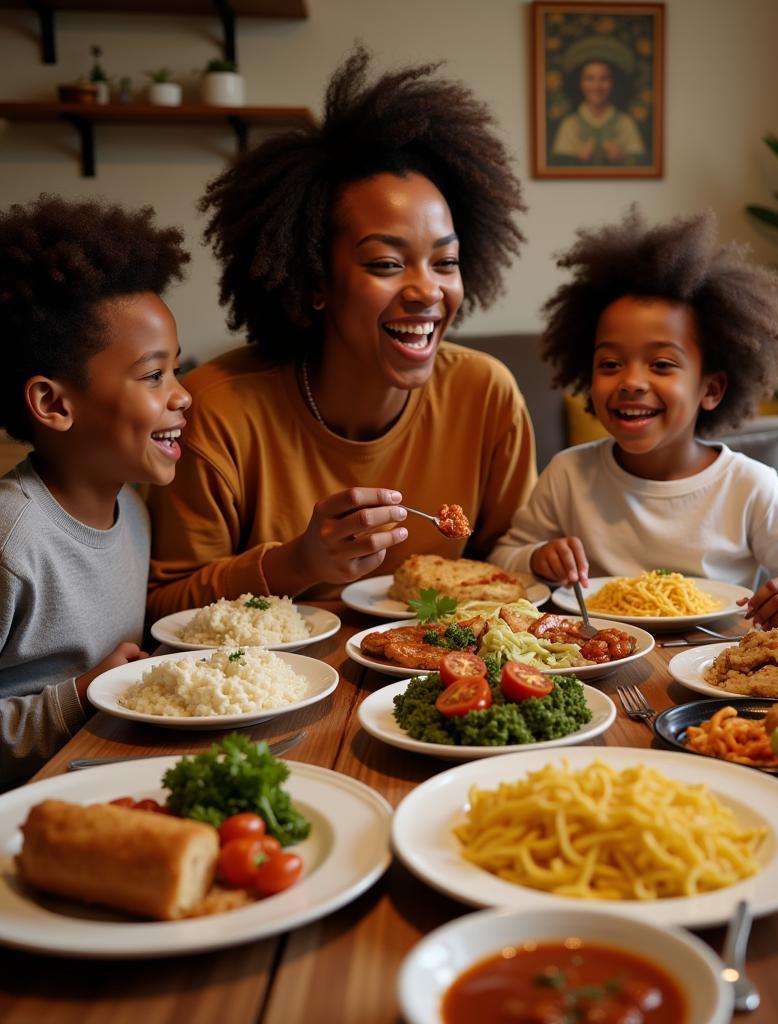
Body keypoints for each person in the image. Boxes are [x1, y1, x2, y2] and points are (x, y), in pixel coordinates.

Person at [146, 49, 534, 619]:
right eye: (385, 264)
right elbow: (161, 611)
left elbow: (513, 559)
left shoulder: (487, 393)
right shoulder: (214, 413)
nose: (427, 290)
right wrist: (297, 563)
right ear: (316, 281)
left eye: (445, 263)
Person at [490, 209, 778, 636]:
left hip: (714, 667)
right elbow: (502, 559)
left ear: (711, 389)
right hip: (599, 661)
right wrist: (535, 558)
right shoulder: (569, 474)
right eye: (610, 363)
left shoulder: (751, 486)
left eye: (661, 364)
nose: (632, 382)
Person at [0, 196, 191, 785]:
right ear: (55, 404)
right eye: (154, 375)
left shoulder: (132, 511)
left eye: (177, 370)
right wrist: (82, 694)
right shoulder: (11, 537)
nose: (182, 396)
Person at [550, 55, 646, 166]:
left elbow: (641, 164)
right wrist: (578, 160)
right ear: (580, 83)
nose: (597, 86)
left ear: (613, 83)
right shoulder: (570, 124)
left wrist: (621, 159)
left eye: (604, 79)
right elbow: (558, 167)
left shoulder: (625, 123)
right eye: (590, 79)